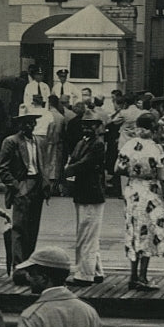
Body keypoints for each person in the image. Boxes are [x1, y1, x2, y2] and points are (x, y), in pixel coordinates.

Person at [115, 112, 164, 290]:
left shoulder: (128, 145)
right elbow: (163, 176)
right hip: (150, 191)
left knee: (133, 230)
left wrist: (134, 172)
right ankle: (143, 277)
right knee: (149, 230)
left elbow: (118, 168)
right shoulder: (156, 148)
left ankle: (132, 276)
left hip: (132, 190)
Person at [0, 107, 48, 280]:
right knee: (19, 228)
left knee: (33, 228)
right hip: (23, 184)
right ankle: (18, 267)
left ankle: (28, 263)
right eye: (27, 122)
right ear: (20, 124)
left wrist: (45, 184)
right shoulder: (11, 142)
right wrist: (16, 187)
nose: (31, 125)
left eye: (33, 121)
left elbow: (42, 165)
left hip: (37, 186)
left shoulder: (38, 141)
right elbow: (3, 169)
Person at [64, 114, 107, 286]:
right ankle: (96, 270)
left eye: (91, 125)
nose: (87, 128)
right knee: (87, 232)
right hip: (82, 192)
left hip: (92, 193)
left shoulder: (98, 144)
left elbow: (85, 163)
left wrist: (68, 170)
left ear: (98, 127)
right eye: (84, 125)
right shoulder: (82, 142)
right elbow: (75, 159)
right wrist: (70, 167)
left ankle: (84, 274)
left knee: (87, 234)